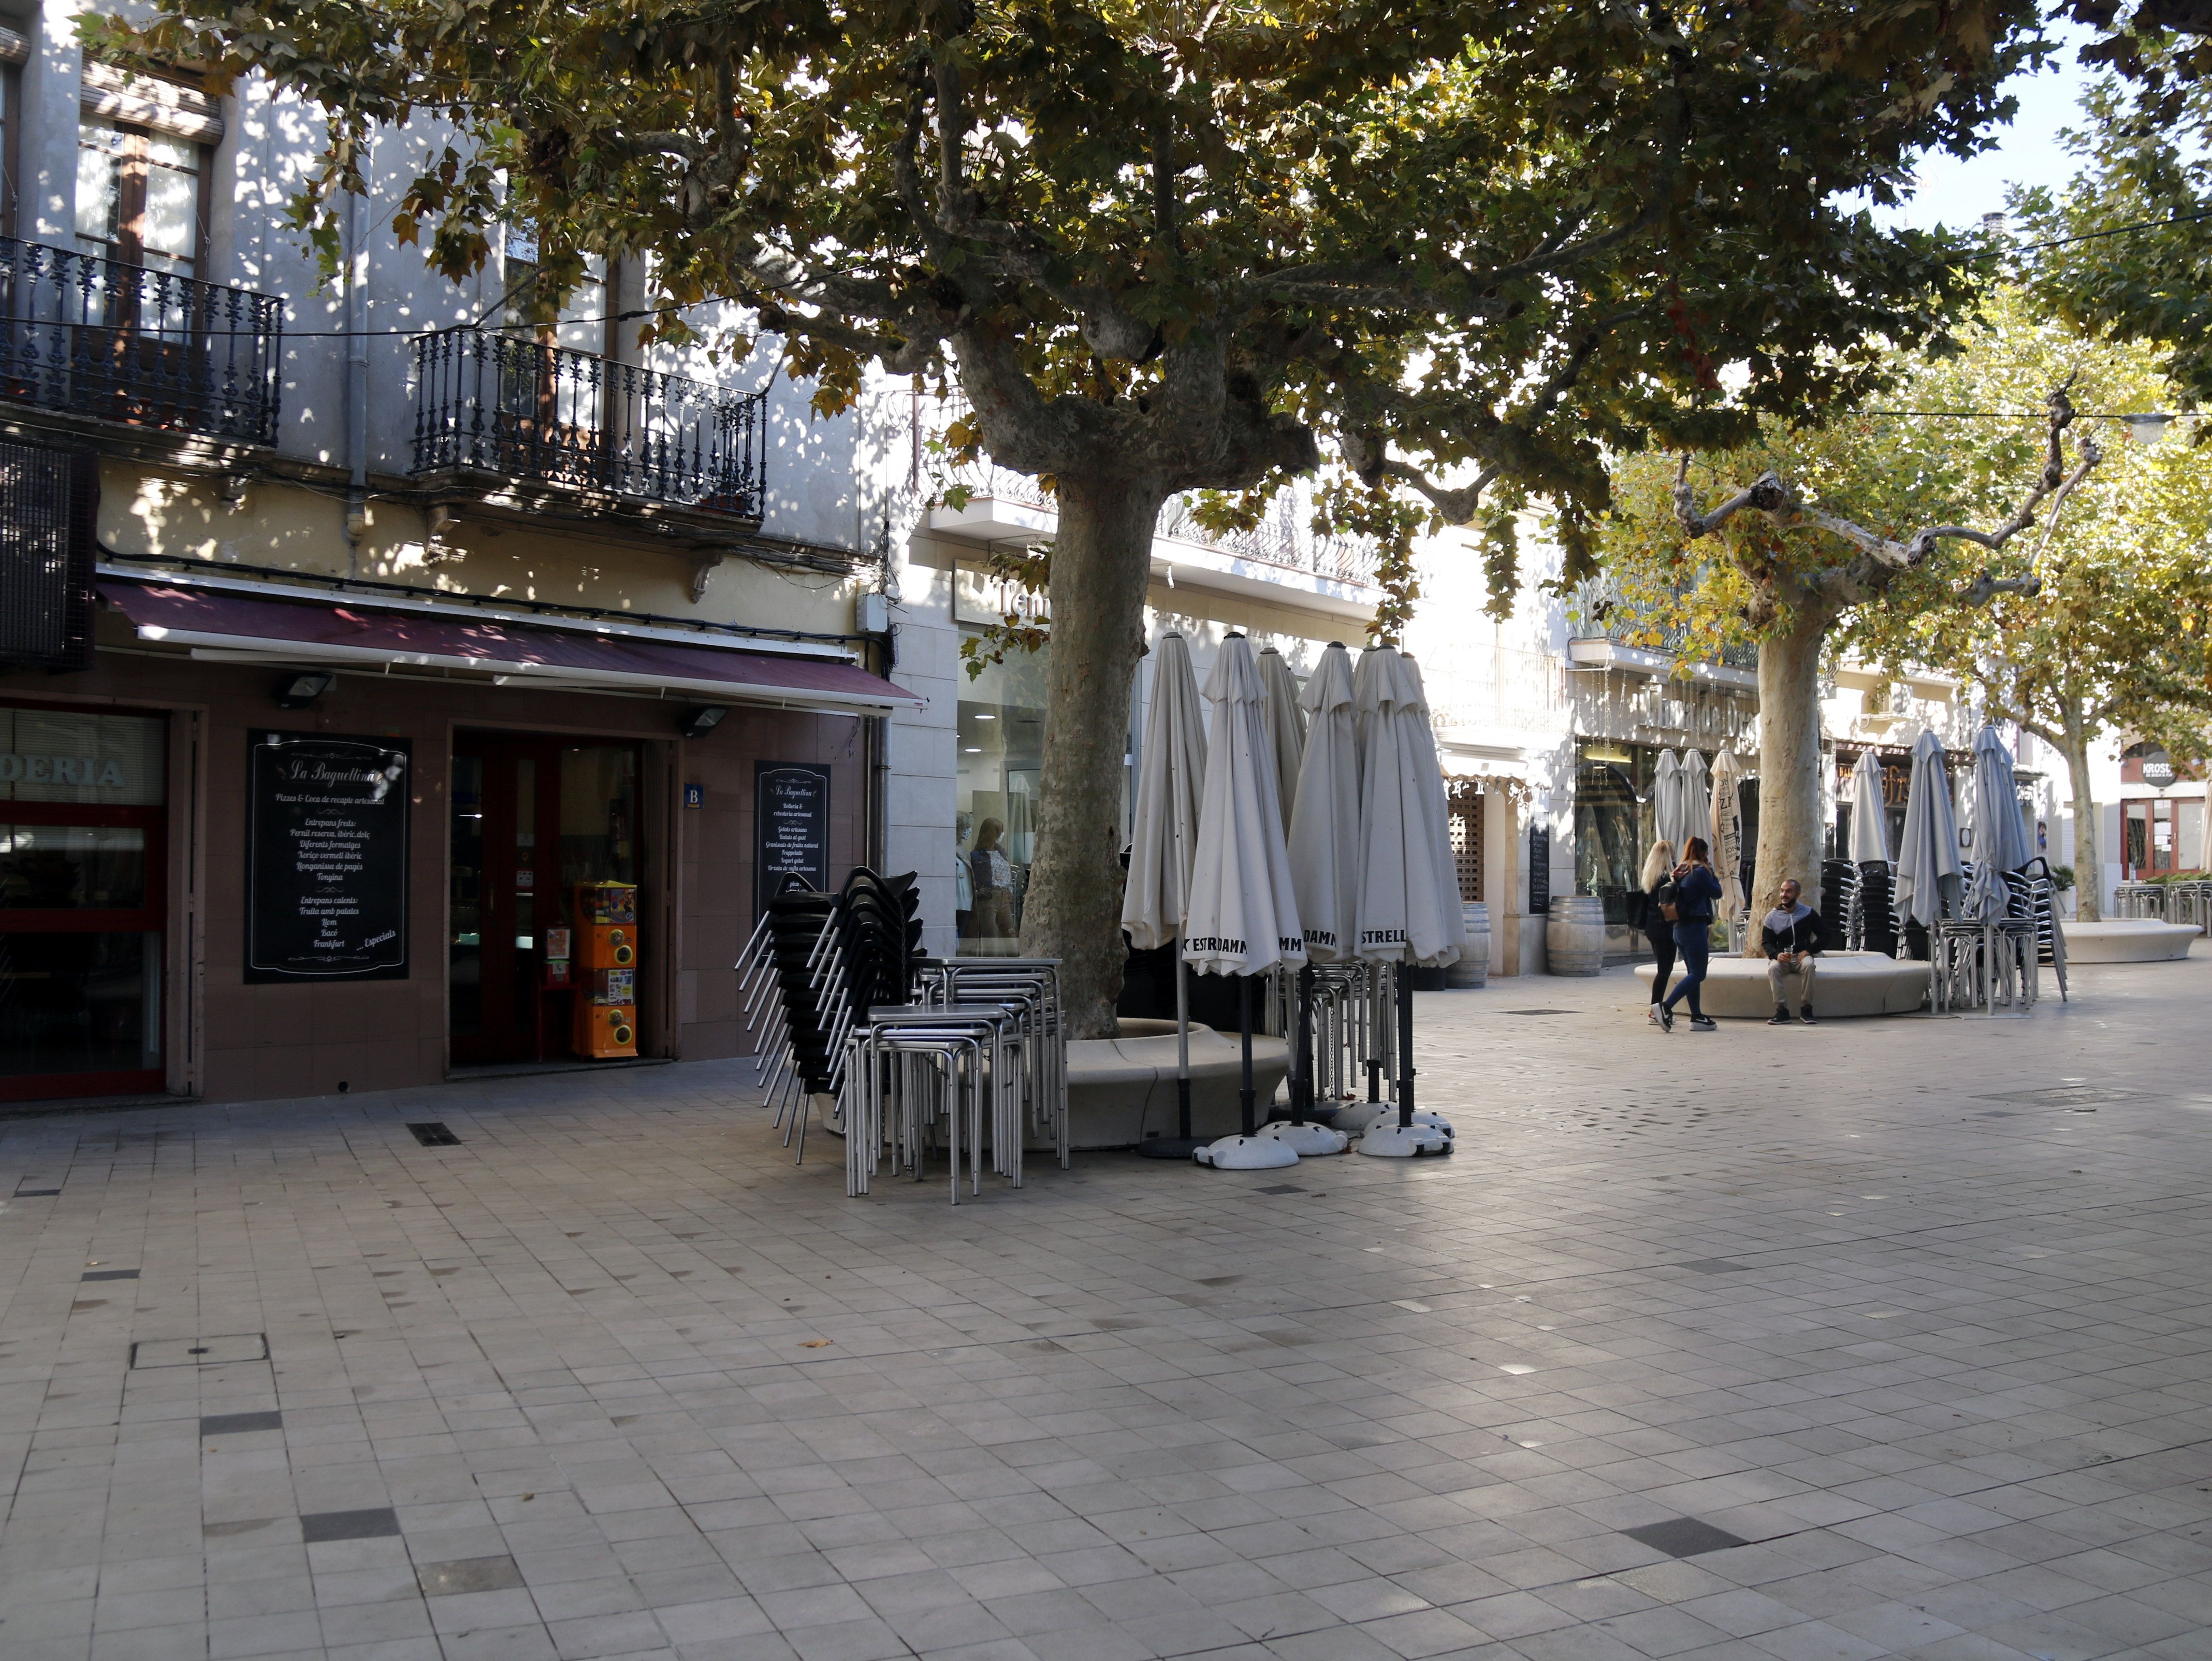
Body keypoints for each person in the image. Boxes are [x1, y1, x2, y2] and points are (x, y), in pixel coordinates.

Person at [1656, 836, 1723, 1032]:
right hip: (1694, 928)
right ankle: (1665, 1007)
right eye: (1707, 854)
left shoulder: (1680, 871)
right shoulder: (1699, 872)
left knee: (1692, 973)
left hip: (1679, 928)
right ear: (1703, 853)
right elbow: (1717, 892)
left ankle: (1697, 1016)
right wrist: (1713, 873)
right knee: (1699, 973)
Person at [1760, 877, 1827, 1025]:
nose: (1784, 895)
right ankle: (1782, 1010)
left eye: (1789, 891)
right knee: (1773, 968)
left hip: (1802, 957)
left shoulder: (1808, 913)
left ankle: (1807, 1008)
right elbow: (1766, 942)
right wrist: (1777, 955)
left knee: (1810, 966)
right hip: (1783, 958)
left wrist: (1809, 951)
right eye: (1783, 891)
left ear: (1798, 894)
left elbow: (1825, 935)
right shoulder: (1772, 916)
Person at [1639, 839, 1678, 1026]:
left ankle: (1655, 1008)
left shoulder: (1651, 877)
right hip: (1665, 928)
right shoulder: (1667, 879)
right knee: (1665, 970)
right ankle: (1655, 1010)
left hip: (1652, 927)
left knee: (1663, 969)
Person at [968, 817, 1016, 952]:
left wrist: (1010, 890)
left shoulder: (1002, 853)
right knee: (991, 937)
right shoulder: (976, 856)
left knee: (1010, 935)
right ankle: (991, 967)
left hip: (1004, 897)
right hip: (988, 898)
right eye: (999, 832)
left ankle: (1015, 968)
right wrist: (977, 892)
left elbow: (1008, 874)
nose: (1002, 835)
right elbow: (971, 878)